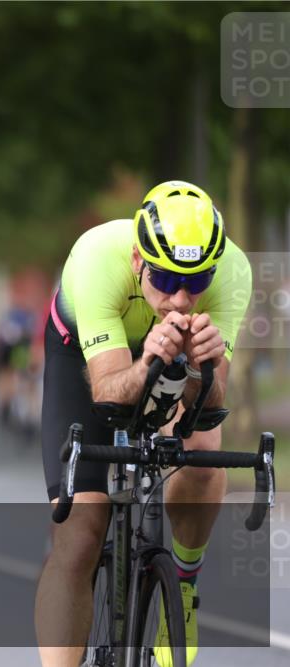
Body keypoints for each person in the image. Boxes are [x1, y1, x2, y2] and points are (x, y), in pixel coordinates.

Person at [34, 181, 251, 667]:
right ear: (138, 261)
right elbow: (107, 390)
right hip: (85, 360)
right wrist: (147, 356)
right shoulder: (96, 258)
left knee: (201, 461)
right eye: (166, 278)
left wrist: (202, 368)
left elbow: (212, 405)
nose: (180, 298)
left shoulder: (233, 273)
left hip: (167, 356)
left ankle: (185, 583)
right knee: (81, 532)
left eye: (196, 283)